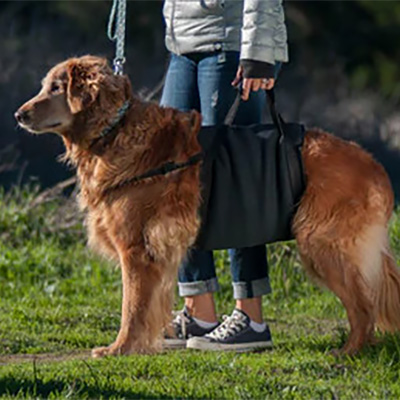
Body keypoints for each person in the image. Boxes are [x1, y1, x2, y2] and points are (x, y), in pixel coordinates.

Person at [160, 0, 288, 351]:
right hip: (182, 43)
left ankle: (251, 317)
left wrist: (259, 53)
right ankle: (198, 311)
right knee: (175, 181)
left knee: (234, 180)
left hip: (231, 44)